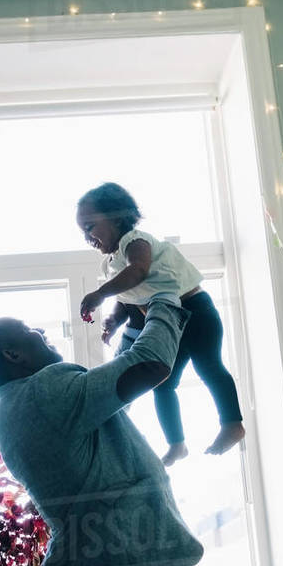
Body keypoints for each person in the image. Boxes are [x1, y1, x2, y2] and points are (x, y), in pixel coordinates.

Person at [0, 297, 204, 566]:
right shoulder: (45, 393)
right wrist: (164, 301)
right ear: (13, 354)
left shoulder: (18, 407)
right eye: (31, 332)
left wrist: (133, 323)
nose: (42, 333)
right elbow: (150, 365)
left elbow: (112, 392)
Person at [76, 182, 246, 466]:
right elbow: (129, 296)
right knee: (162, 383)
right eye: (83, 231)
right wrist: (115, 321)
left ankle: (232, 424)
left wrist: (99, 294)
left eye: (91, 226)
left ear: (116, 218)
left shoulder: (135, 241)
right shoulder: (111, 263)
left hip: (194, 311)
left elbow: (138, 273)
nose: (87, 236)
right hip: (166, 323)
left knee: (209, 367)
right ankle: (176, 443)